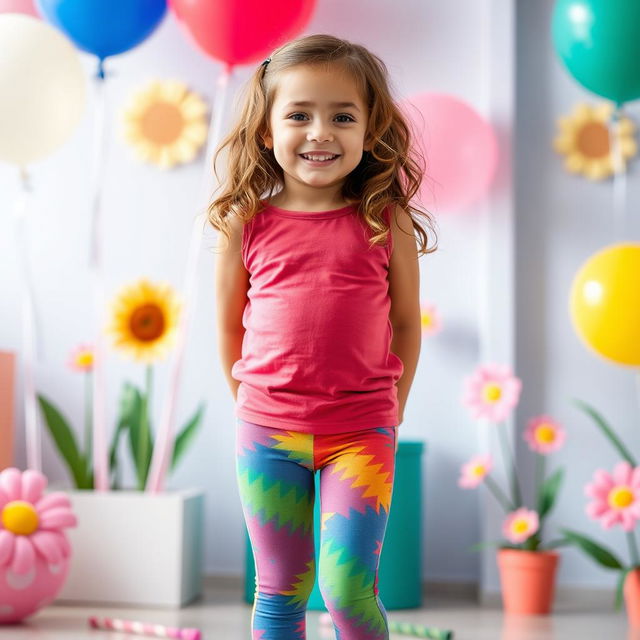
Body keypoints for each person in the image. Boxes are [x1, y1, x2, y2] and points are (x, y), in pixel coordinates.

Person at [210, 33, 437, 640]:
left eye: (342, 116)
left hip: (361, 432)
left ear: (370, 130)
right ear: (266, 131)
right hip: (267, 432)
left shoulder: (385, 220)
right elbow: (230, 322)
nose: (320, 133)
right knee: (278, 590)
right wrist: (250, 408)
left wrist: (394, 409)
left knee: (347, 591)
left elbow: (408, 322)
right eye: (299, 115)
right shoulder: (245, 223)